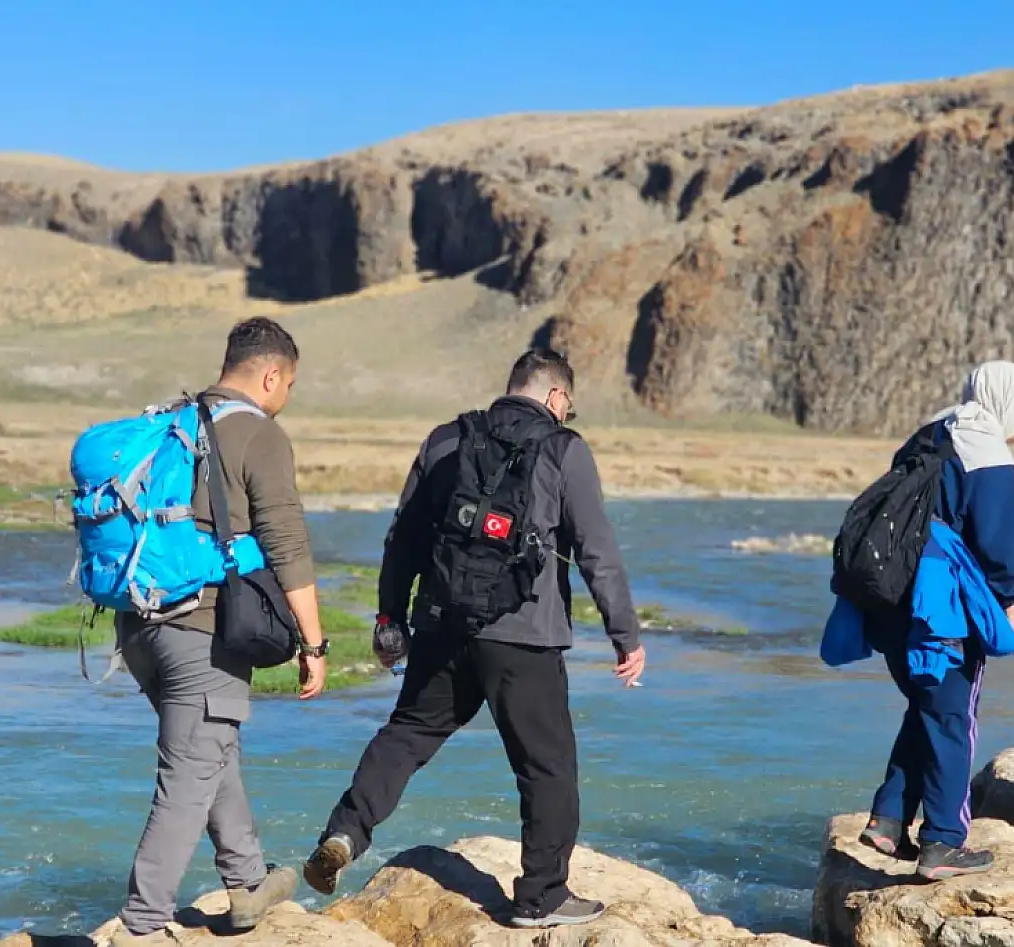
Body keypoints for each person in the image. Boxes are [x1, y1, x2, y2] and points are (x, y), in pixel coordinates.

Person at [302, 348, 646, 930]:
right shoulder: (565, 450)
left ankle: (345, 831)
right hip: (524, 637)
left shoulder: (446, 440)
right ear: (557, 398)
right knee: (547, 766)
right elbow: (597, 551)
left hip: (441, 623)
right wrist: (625, 635)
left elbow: (403, 537)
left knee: (407, 733)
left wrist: (391, 617)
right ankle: (541, 897)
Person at [108, 317, 327, 946]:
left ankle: (249, 882)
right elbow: (287, 543)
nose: (285, 399)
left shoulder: (173, 422)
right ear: (270, 375)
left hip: (139, 627)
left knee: (210, 752)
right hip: (200, 629)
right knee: (186, 779)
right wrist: (313, 645)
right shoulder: (258, 435)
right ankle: (142, 925)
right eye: (288, 386)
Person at [821, 361, 1014, 881]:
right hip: (942, 607)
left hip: (891, 594)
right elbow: (996, 544)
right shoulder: (987, 453)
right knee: (952, 717)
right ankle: (943, 841)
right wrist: (1010, 609)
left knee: (927, 704)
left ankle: (889, 820)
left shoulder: (928, 435)